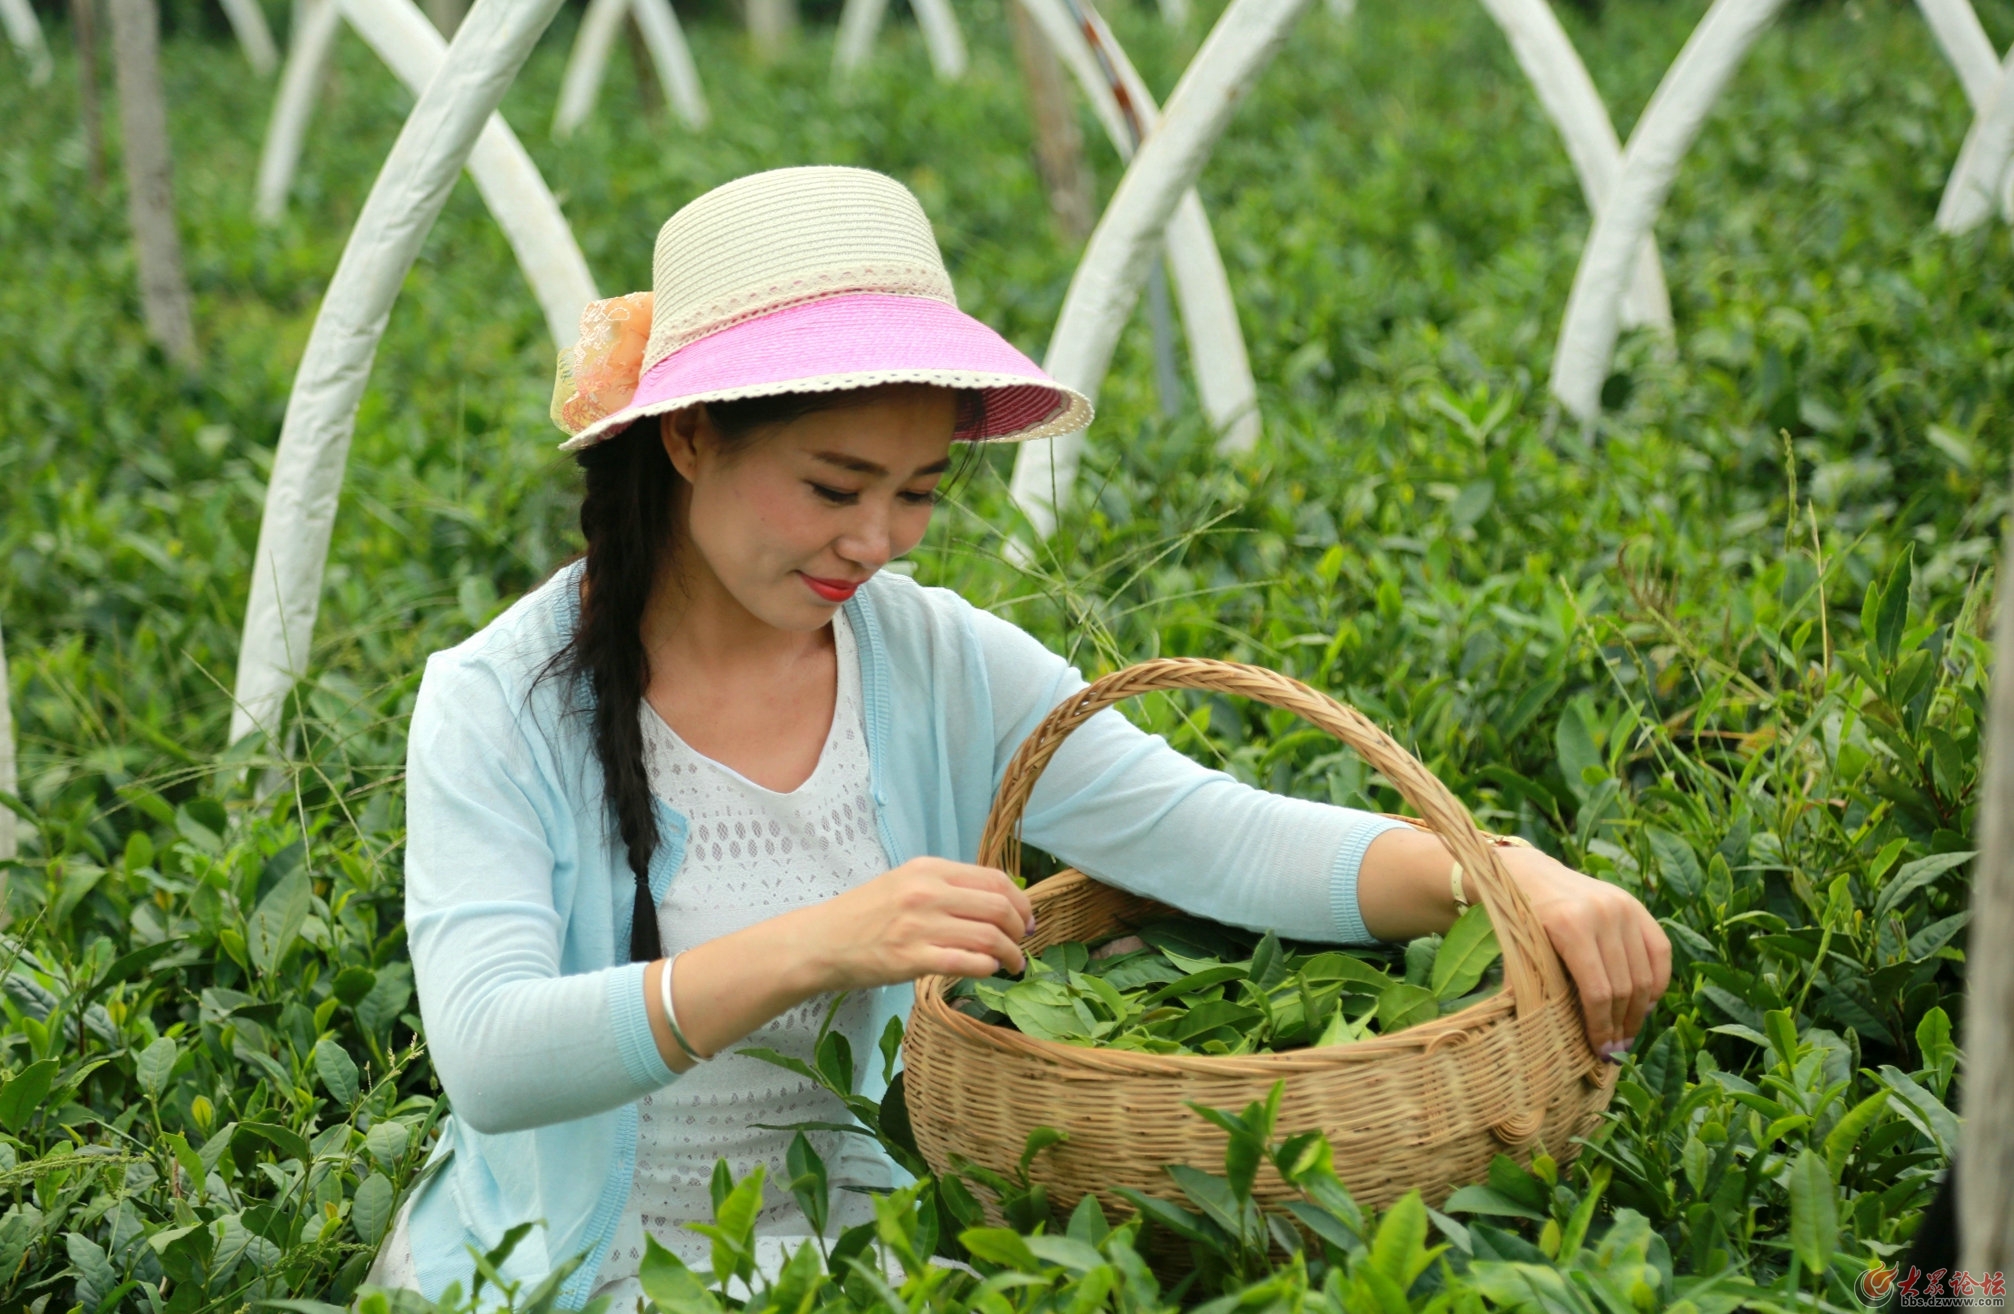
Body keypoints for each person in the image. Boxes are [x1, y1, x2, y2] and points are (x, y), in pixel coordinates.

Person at [368, 166, 1672, 1306]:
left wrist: (1498, 872)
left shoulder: (940, 662)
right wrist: (824, 938)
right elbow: (490, 1052)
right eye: (834, 486)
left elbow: (1215, 838)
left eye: (918, 491)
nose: (875, 541)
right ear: (692, 435)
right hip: (568, 1270)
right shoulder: (498, 700)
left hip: (873, 1255)